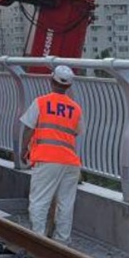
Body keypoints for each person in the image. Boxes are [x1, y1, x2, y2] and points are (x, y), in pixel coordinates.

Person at [20, 65, 82, 244]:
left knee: (39, 201)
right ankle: (62, 241)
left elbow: (28, 128)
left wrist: (24, 149)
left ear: (51, 80)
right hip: (70, 161)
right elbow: (76, 132)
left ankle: (38, 240)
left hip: (47, 159)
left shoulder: (41, 102)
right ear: (68, 86)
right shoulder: (75, 108)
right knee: (66, 203)